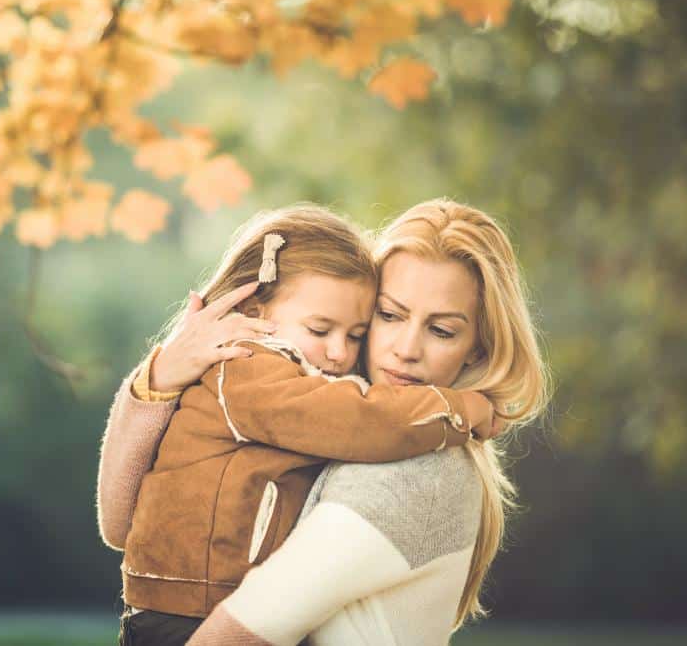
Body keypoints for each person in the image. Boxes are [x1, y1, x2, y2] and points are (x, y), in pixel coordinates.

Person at [98, 199, 549, 645]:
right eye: (388, 316)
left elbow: (248, 625)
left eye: (442, 330)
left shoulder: (420, 464)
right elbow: (122, 527)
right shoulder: (297, 400)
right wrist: (157, 380)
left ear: (478, 347)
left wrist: (459, 409)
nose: (406, 349)